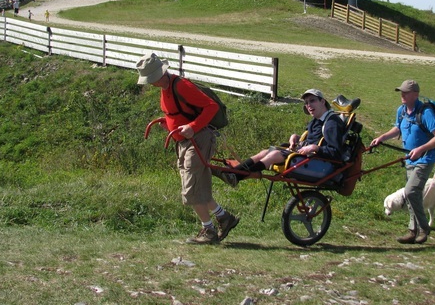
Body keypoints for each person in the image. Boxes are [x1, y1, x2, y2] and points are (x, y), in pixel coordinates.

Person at [136, 53, 239, 245]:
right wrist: (168, 123)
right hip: (184, 142)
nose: (150, 83)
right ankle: (224, 218)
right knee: (197, 185)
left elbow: (211, 107)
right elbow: (177, 112)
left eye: (151, 79)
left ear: (160, 74)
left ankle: (209, 230)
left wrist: (193, 127)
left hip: (198, 140)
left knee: (190, 188)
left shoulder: (181, 85)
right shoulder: (164, 88)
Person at [370, 80, 435, 244]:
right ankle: (413, 231)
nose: (402, 95)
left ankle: (424, 228)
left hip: (425, 159)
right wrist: (381, 138)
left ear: (415, 95)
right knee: (413, 195)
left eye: (406, 92)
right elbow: (397, 128)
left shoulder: (425, 113)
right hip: (409, 159)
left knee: (410, 191)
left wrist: (421, 149)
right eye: (401, 92)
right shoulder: (402, 111)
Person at [221, 89, 347, 185]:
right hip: (304, 156)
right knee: (264, 152)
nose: (309, 105)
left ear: (322, 101)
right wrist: (296, 137)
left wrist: (315, 148)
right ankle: (234, 173)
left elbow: (336, 153)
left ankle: (237, 177)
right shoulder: (316, 120)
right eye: (306, 102)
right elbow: (313, 137)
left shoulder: (331, 124)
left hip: (318, 163)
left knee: (274, 155)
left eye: (312, 100)